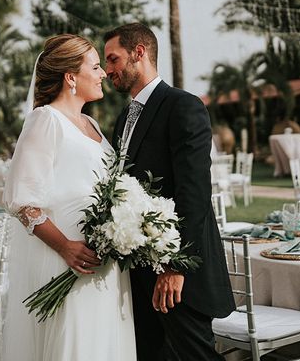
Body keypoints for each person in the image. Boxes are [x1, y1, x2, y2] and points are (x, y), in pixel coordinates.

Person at [0, 34, 136, 361]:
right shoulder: (45, 120)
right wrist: (65, 246)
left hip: (103, 261)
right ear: (71, 77)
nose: (103, 73)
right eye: (95, 66)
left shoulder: (91, 123)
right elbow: (21, 201)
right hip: (66, 260)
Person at [104, 23, 235, 361]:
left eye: (113, 59)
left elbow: (194, 192)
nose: (108, 70)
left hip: (177, 272)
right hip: (138, 269)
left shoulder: (183, 106)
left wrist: (175, 267)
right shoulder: (123, 119)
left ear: (139, 53)